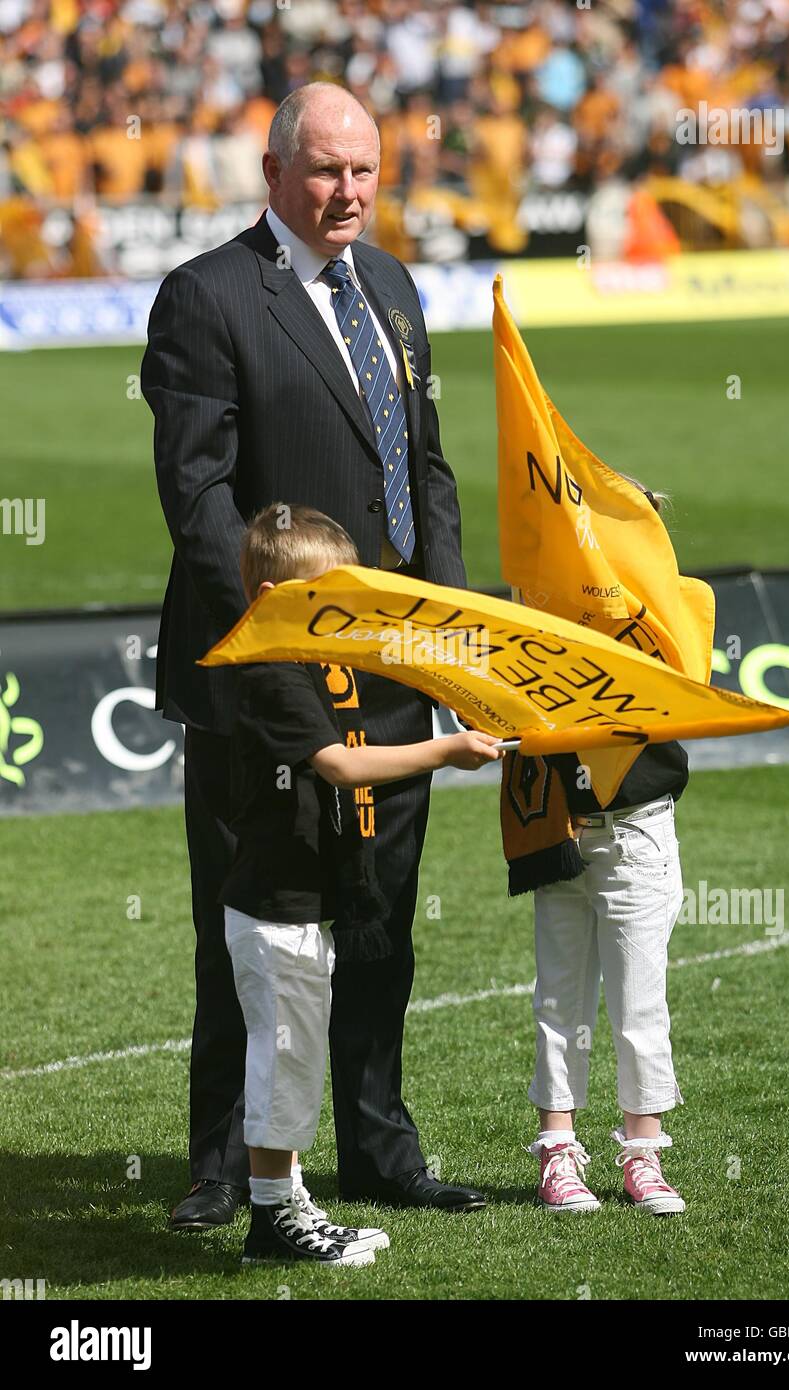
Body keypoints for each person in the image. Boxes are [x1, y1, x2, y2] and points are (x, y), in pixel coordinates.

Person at [142, 82, 484, 1228]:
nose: (349, 194)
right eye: (328, 172)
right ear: (275, 171)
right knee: (248, 926)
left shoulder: (390, 284)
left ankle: (380, 1151)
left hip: (396, 672)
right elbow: (199, 498)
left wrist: (448, 626)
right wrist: (283, 646)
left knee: (380, 921)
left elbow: (422, 468)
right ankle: (223, 1166)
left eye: (366, 173)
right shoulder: (206, 296)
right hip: (267, 685)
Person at [225, 503, 504, 1268]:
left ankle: (286, 1201)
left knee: (299, 1058)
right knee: (283, 1062)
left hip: (301, 908)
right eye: (328, 596)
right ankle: (272, 1223)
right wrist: (443, 750)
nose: (344, 609)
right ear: (273, 598)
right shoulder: (274, 673)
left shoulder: (301, 664)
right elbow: (344, 765)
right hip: (275, 910)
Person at [523, 479, 688, 1216]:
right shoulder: (543, 611)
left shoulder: (662, 624)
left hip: (640, 830)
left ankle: (641, 1155)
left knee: (638, 1003)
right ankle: (558, 1155)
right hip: (559, 829)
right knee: (559, 999)